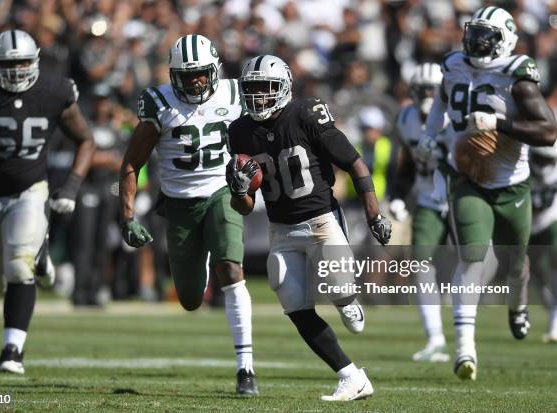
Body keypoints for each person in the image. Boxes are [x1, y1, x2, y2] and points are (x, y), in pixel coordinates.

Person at [227, 54, 392, 401]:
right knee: (293, 303)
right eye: (252, 90)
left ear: (284, 88)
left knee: (342, 299)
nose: (258, 97)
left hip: (321, 220)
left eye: (266, 89)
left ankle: (348, 299)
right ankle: (352, 377)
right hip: (281, 229)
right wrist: (240, 189)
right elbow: (241, 207)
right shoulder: (239, 131)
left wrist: (374, 214)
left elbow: (355, 162)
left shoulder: (305, 114)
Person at [418, 6, 557, 380]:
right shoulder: (453, 64)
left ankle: (519, 304)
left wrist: (500, 122)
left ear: (506, 41)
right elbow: (441, 101)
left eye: (486, 37)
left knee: (516, 262)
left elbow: (548, 131)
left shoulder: (517, 76)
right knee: (472, 256)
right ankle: (465, 349)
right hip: (469, 177)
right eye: (473, 33)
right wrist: (431, 137)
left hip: (512, 183)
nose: (476, 42)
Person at [0, 29, 95, 374]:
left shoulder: (54, 92)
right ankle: (38, 255)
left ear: (37, 61)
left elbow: (86, 141)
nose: (16, 71)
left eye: (24, 62)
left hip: (30, 190)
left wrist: (71, 187)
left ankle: (12, 350)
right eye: (9, 64)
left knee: (17, 265)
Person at [118, 34, 258, 396]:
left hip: (222, 191)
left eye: (200, 73)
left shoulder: (235, 94)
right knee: (190, 299)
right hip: (179, 203)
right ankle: (206, 252)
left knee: (232, 269)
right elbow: (133, 161)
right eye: (187, 74)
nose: (195, 80)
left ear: (214, 70)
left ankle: (246, 369)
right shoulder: (158, 102)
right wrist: (128, 215)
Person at [390, 62, 451, 362]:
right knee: (420, 265)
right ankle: (435, 338)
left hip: (462, 197)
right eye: (422, 89)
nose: (428, 95)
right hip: (428, 198)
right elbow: (408, 164)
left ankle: (466, 335)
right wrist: (398, 195)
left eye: (433, 89)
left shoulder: (456, 117)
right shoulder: (406, 118)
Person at [528, 142, 557, 343]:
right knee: (538, 275)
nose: (543, 163)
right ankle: (553, 315)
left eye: (547, 159)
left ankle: (555, 323)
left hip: (551, 220)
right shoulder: (520, 166)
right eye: (540, 158)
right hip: (528, 226)